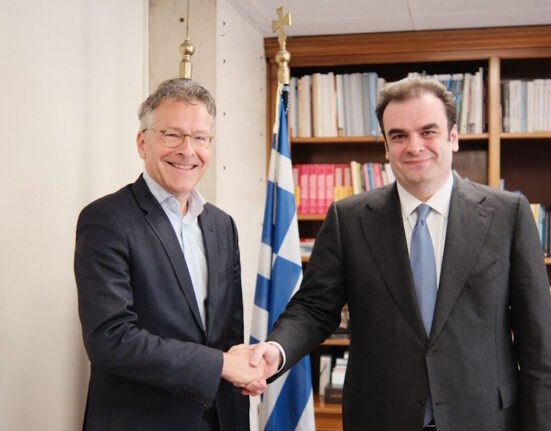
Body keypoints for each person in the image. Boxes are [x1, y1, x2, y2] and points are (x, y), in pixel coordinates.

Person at [246, 76, 551, 430]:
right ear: (386, 148)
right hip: (380, 418)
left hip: (486, 419)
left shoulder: (508, 215)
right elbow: (314, 308)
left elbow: (538, 342)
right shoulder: (348, 220)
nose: (414, 146)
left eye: (428, 132)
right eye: (399, 136)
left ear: (453, 137)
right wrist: (277, 349)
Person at [74, 78, 267, 431]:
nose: (187, 150)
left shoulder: (222, 225)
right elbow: (110, 339)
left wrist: (242, 371)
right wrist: (222, 364)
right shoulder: (106, 220)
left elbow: (228, 337)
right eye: (172, 135)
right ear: (142, 142)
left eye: (200, 138)